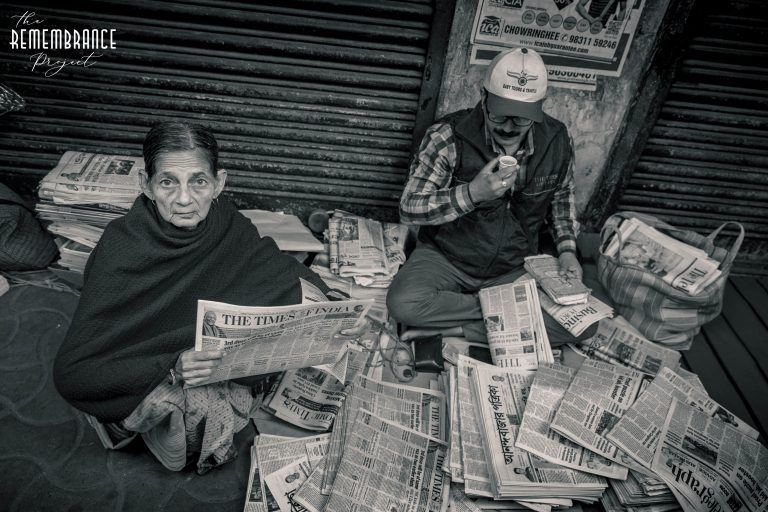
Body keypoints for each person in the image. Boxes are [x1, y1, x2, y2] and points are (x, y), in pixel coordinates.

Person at [53, 122, 334, 474]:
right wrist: (172, 365)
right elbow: (74, 372)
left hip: (210, 356)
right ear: (146, 185)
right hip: (151, 363)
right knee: (202, 412)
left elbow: (274, 266)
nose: (184, 199)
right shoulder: (122, 246)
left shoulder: (225, 220)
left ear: (219, 183)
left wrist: (330, 300)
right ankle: (124, 423)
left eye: (198, 182)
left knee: (286, 357)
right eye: (168, 181)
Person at [387, 47, 597, 345]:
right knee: (404, 304)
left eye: (522, 119)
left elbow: (562, 202)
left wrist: (566, 251)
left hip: (514, 265)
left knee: (584, 325)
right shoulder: (448, 135)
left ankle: (456, 328)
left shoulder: (557, 139)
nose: (510, 128)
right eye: (500, 116)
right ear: (483, 99)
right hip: (447, 257)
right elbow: (410, 207)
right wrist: (473, 193)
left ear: (539, 107)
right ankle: (507, 313)